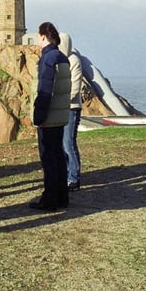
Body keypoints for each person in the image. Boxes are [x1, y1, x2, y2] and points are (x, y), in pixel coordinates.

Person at [29, 22, 71, 211]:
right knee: (59, 156)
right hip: (60, 115)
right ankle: (62, 196)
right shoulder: (63, 57)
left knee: (48, 158)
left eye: (38, 36)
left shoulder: (48, 58)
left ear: (44, 36)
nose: (37, 40)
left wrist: (39, 115)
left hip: (49, 116)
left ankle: (49, 198)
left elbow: (45, 89)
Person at [58, 32, 83, 192]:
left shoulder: (74, 61)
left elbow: (75, 89)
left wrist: (59, 101)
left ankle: (73, 177)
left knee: (68, 143)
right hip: (61, 108)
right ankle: (66, 175)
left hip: (71, 108)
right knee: (62, 144)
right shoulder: (60, 59)